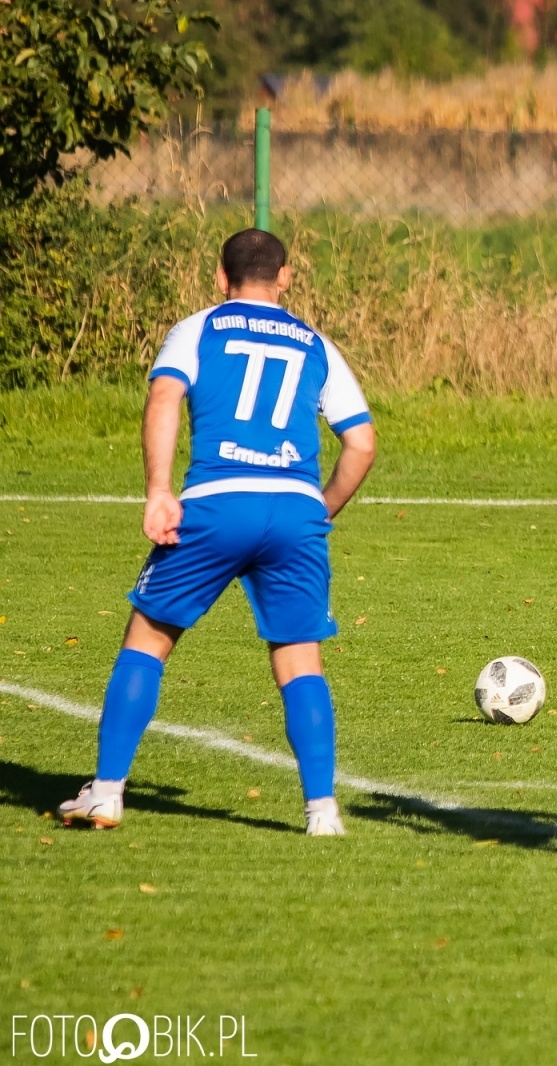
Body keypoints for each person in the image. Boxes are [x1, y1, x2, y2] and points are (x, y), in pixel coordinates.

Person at [58, 229, 378, 836]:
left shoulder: (199, 327)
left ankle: (104, 793)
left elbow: (163, 397)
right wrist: (319, 509)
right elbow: (361, 443)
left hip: (214, 502)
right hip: (294, 511)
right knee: (299, 658)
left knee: (148, 638)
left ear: (219, 277)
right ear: (285, 277)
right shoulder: (316, 344)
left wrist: (158, 491)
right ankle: (323, 812)